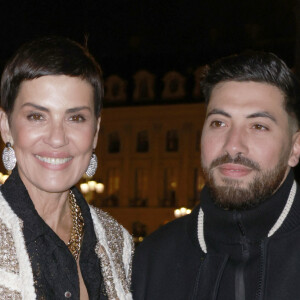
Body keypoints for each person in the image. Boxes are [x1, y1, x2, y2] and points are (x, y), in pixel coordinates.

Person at [132, 51, 300, 300]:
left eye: (259, 126)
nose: (233, 146)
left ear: (295, 149)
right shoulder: (151, 259)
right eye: (219, 123)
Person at [0, 36, 133, 300]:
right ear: (6, 125)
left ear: (95, 132)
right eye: (37, 116)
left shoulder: (119, 243)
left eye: (76, 118)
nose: (57, 138)